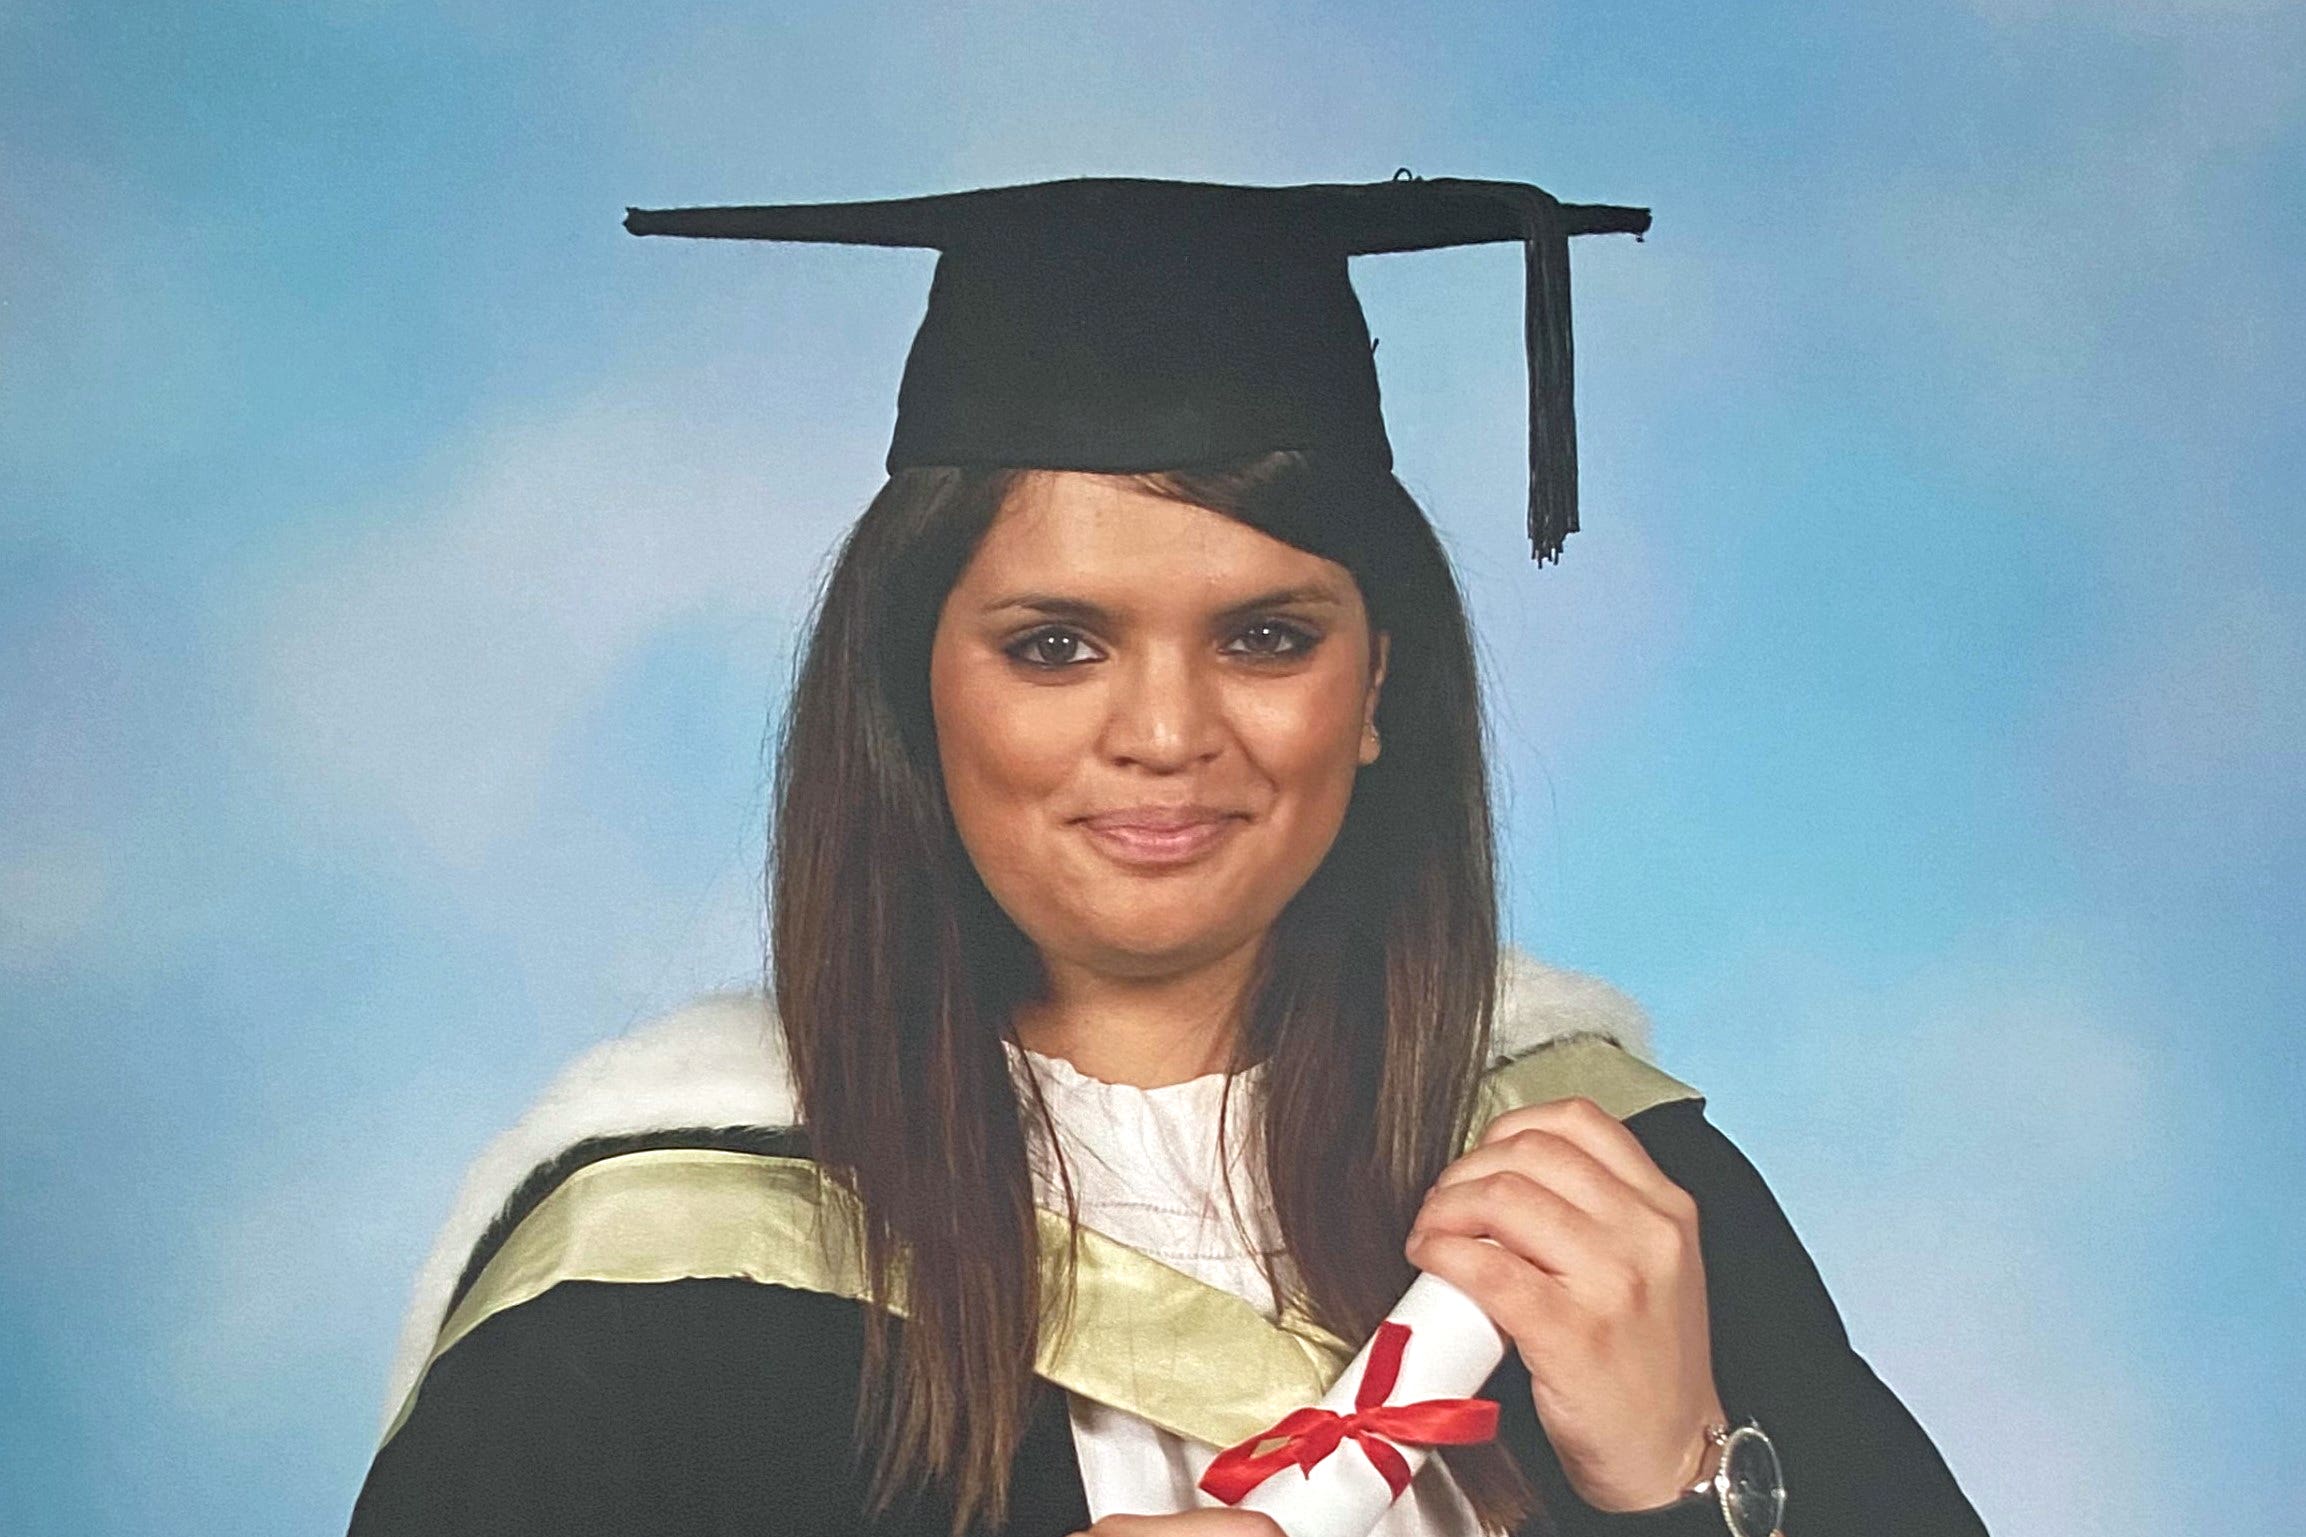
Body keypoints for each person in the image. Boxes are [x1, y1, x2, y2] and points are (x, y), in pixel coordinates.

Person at [346, 175, 1990, 1537]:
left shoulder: (1602, 1191)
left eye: (1266, 637)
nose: (1165, 732)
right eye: (1054, 645)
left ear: (1375, 693)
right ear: (912, 698)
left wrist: (1681, 1480)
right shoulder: (653, 1258)